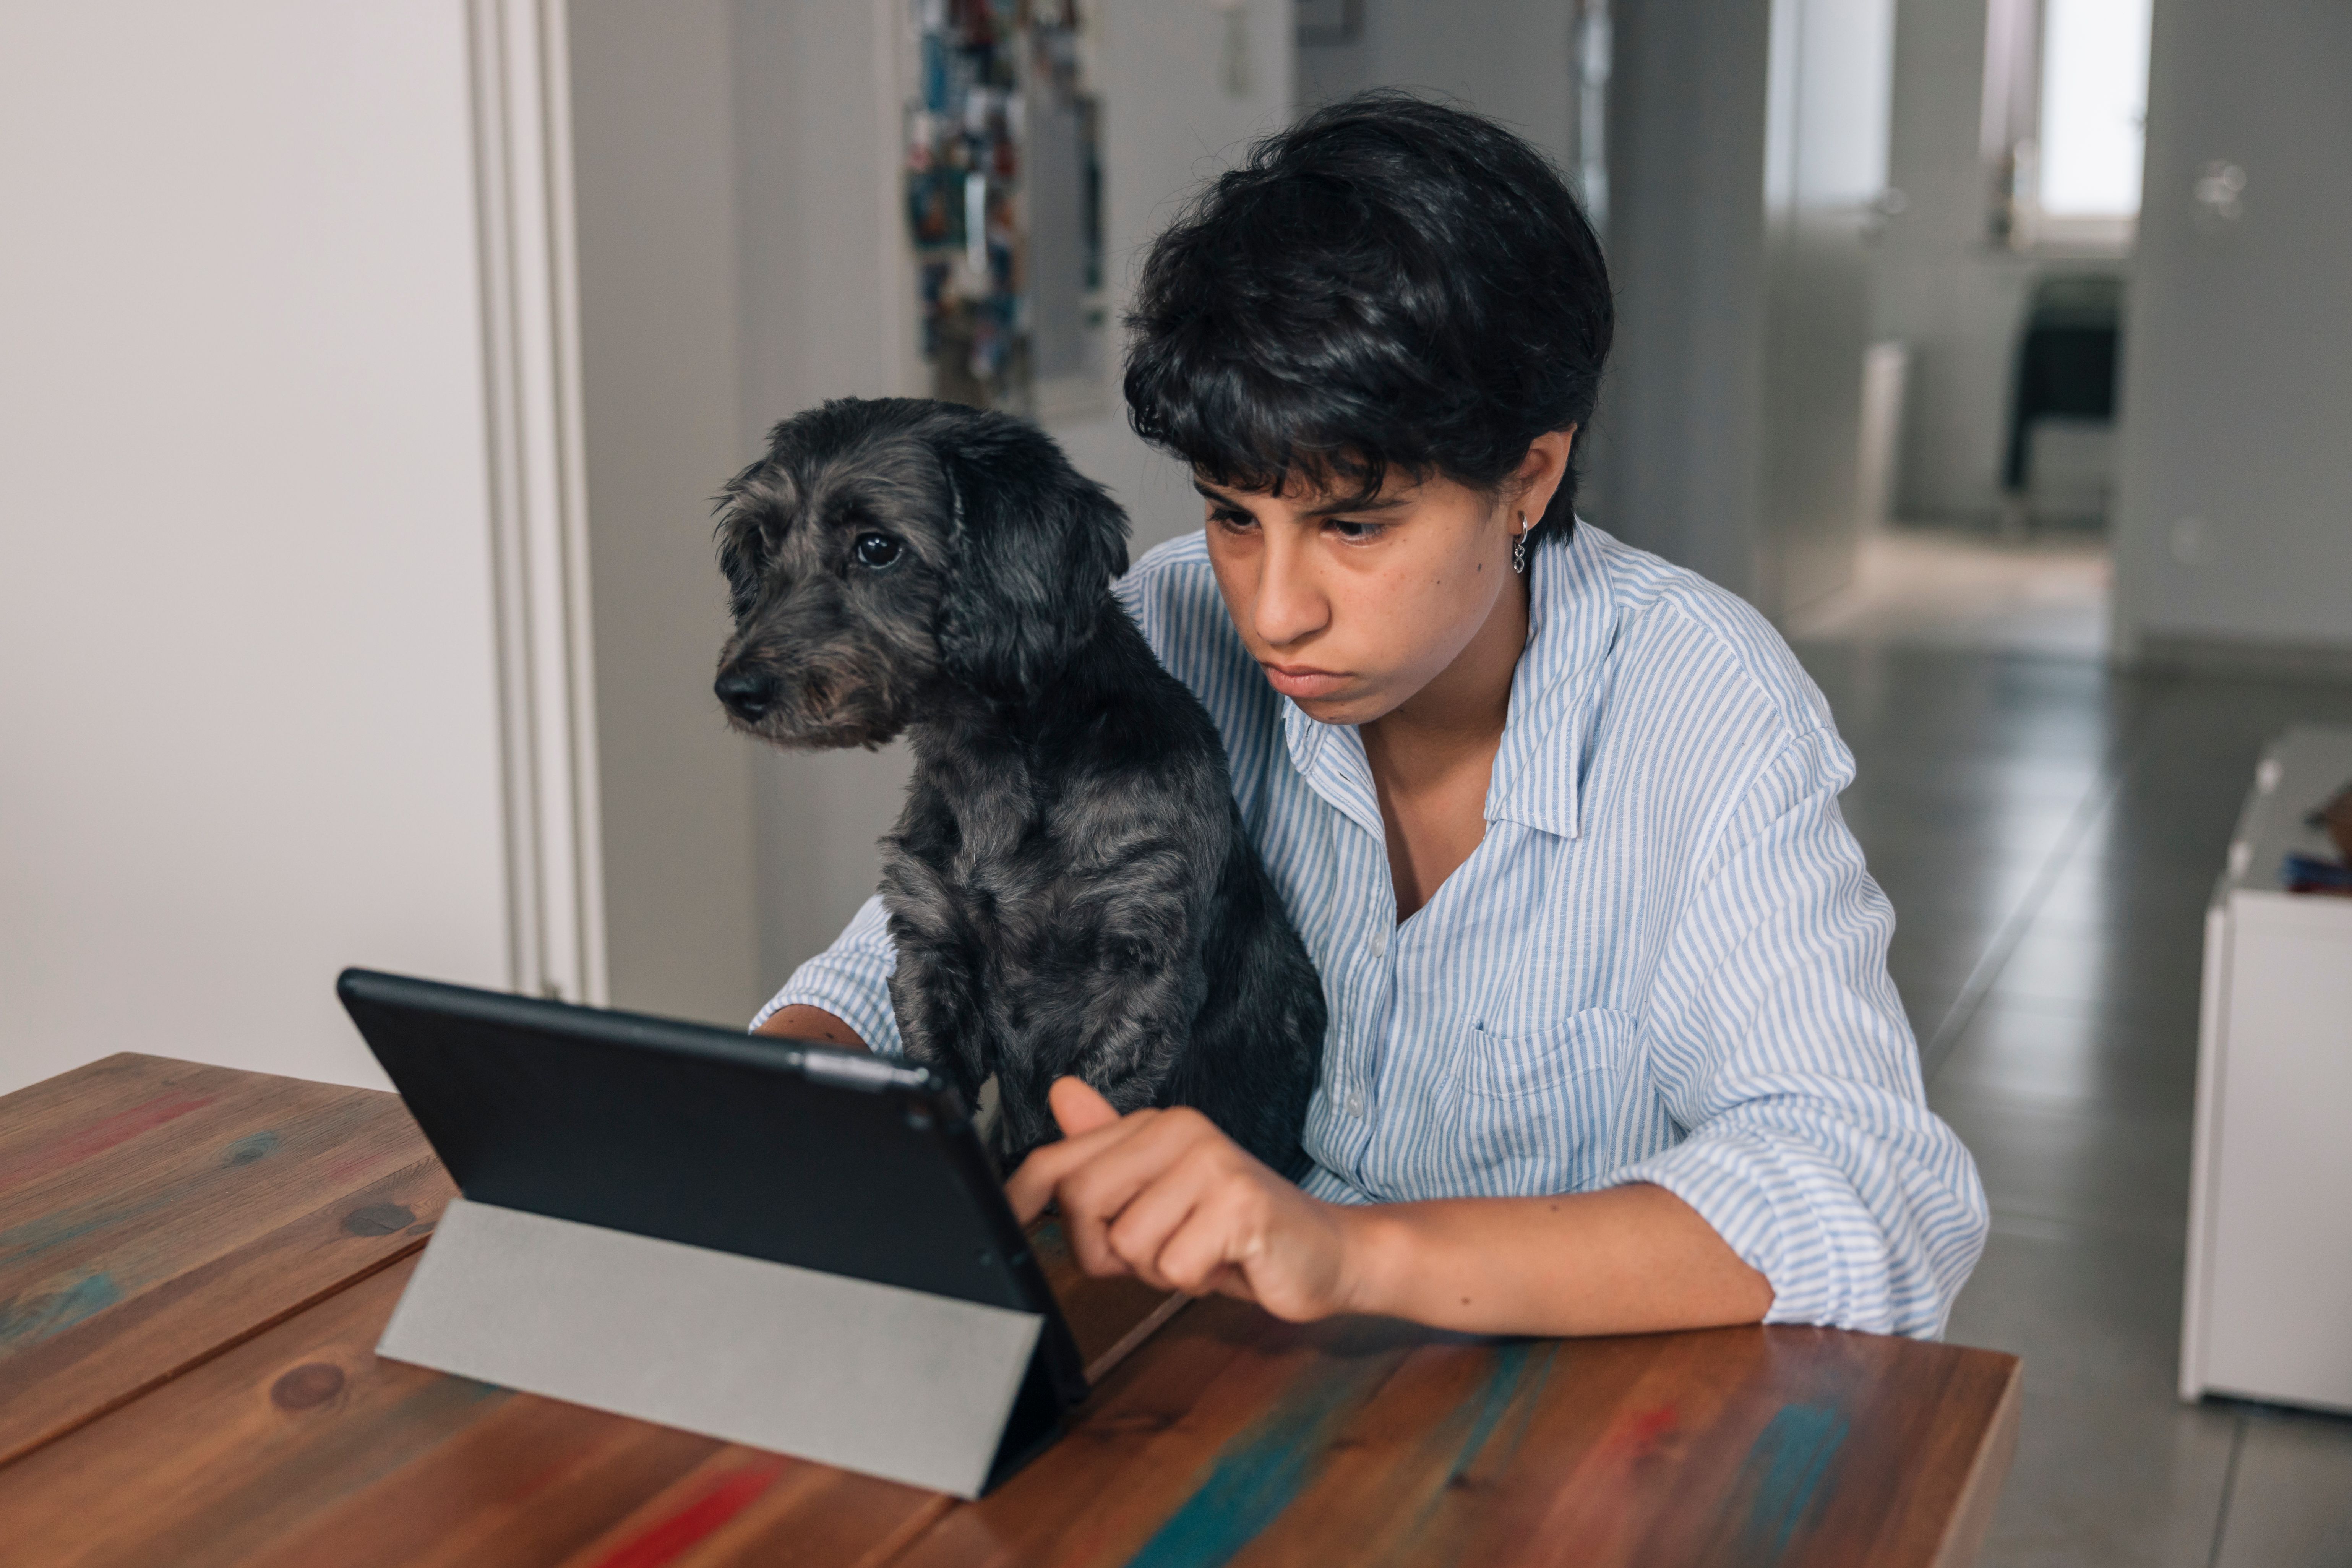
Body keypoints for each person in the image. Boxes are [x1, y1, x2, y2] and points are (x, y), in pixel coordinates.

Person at [757, 92, 1987, 1340]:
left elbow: (1869, 1199)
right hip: (1195, 1372)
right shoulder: (1155, 625)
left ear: (1530, 476)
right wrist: (785, 1089)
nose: (1275, 611)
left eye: (1354, 525)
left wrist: (1349, 1253)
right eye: (1235, 514)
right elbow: (895, 963)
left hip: (1559, 1436)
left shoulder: (1701, 702)